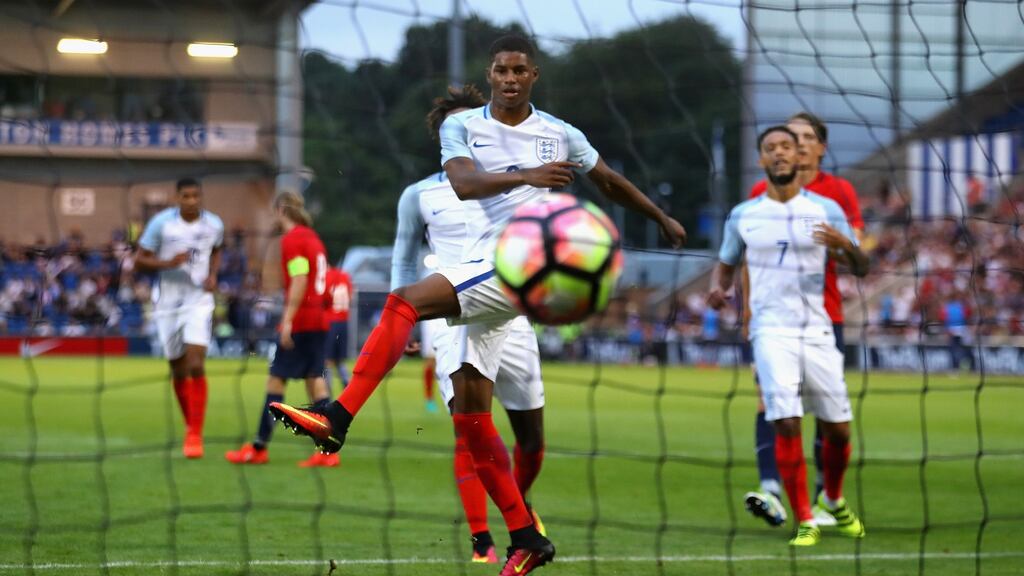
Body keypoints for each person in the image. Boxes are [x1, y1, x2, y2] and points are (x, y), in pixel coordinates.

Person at [269, 35, 685, 574]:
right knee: (469, 419)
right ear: (490, 75)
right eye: (500, 70)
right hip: (480, 266)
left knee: (406, 300)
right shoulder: (462, 127)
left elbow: (609, 181)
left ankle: (337, 416)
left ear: (533, 75)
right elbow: (463, 184)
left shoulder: (561, 134)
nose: (509, 78)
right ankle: (525, 537)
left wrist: (660, 217)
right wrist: (527, 177)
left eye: (519, 70)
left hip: (521, 265)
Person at [391, 84, 548, 564]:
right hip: (450, 314)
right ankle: (482, 536)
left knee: (533, 438)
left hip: (508, 310)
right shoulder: (419, 195)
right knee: (469, 425)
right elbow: (402, 262)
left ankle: (516, 513)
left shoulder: (515, 184)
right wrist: (404, 327)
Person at [708, 125, 868, 546]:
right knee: (786, 420)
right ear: (762, 160)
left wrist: (844, 245)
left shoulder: (828, 208)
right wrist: (718, 287)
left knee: (838, 430)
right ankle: (805, 519)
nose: (779, 153)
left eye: (787, 147)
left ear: (801, 158)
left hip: (817, 329)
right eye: (770, 148)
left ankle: (832, 499)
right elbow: (726, 261)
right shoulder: (743, 214)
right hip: (769, 331)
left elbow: (862, 265)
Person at [225, 192, 337, 468]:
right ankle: (330, 450)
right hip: (319, 320)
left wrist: (287, 320)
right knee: (316, 382)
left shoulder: (293, 239)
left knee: (275, 381)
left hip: (301, 321)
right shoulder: (313, 238)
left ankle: (258, 448)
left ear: (280, 210)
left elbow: (299, 278)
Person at [136, 178, 223, 459]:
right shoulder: (161, 224)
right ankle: (191, 425)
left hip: (199, 300)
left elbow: (217, 249)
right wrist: (167, 264)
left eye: (196, 196)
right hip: (167, 302)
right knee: (177, 368)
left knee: (196, 362)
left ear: (201, 197)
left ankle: (194, 434)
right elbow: (140, 260)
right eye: (185, 196)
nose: (191, 201)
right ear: (177, 198)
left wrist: (213, 275)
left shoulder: (214, 224)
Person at [323, 266, 353, 391]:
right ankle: (350, 389)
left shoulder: (326, 276)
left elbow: (324, 297)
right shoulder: (345, 276)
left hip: (331, 322)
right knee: (340, 360)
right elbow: (350, 297)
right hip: (344, 322)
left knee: (327, 360)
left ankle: (326, 396)